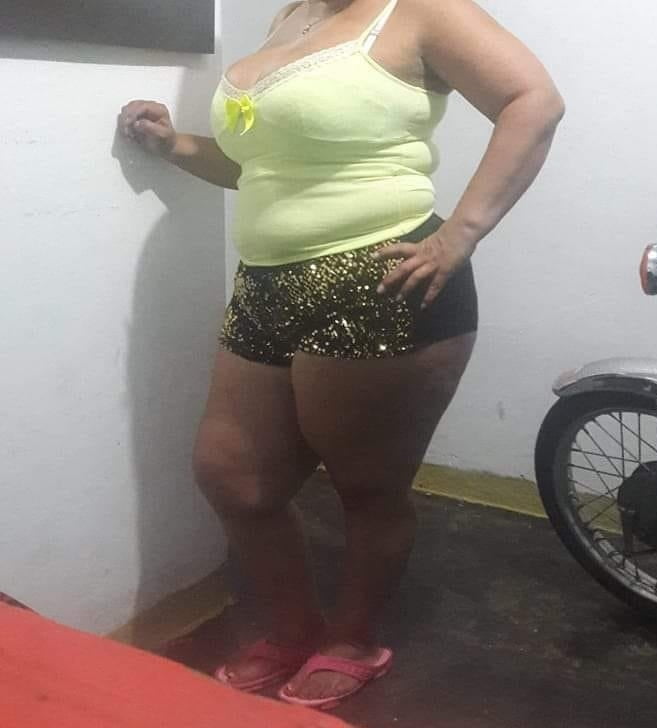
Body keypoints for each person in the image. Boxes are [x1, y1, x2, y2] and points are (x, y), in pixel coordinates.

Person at [118, 0, 564, 711]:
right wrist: (176, 145)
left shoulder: (421, 10)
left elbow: (533, 100)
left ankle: (354, 640)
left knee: (367, 489)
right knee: (232, 476)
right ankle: (292, 630)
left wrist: (461, 232)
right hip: (266, 285)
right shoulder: (290, 16)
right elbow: (256, 165)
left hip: (379, 284)